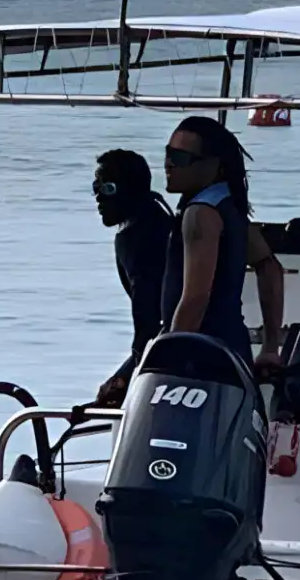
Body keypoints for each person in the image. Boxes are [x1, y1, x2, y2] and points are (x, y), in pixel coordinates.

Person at [162, 116, 285, 374]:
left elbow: (195, 297)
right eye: (168, 153)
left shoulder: (200, 213)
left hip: (200, 357)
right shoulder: (229, 206)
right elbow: (269, 266)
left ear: (214, 165)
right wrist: (270, 347)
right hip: (233, 350)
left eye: (181, 158)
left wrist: (169, 358)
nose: (169, 164)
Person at [92, 149, 175, 407]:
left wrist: (127, 377)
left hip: (170, 343)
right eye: (96, 187)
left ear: (132, 190)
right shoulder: (157, 217)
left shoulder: (139, 237)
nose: (98, 198)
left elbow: (148, 319)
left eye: (108, 188)